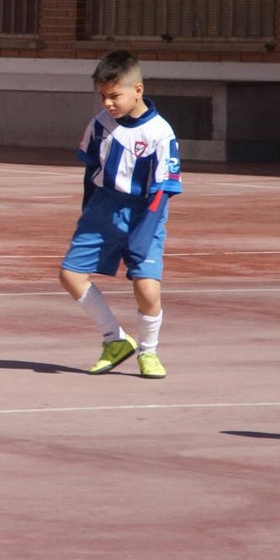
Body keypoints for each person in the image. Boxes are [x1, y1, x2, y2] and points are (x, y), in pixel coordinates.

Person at [58, 50, 182, 379]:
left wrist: (144, 231)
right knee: (70, 275)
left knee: (147, 288)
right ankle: (115, 340)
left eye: (115, 96)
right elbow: (90, 170)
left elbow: (163, 189)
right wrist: (88, 211)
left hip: (146, 212)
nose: (108, 103)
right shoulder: (100, 125)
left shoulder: (160, 133)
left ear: (137, 90)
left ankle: (149, 351)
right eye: (103, 96)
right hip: (103, 207)